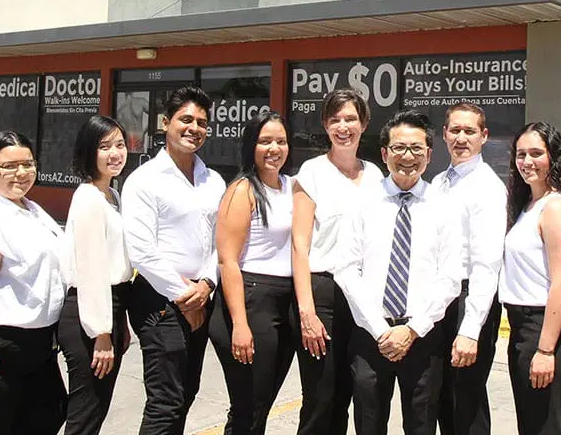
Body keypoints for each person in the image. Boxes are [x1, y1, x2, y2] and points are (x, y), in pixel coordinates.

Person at [335, 109, 462, 435]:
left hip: (422, 336)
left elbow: (449, 277)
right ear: (384, 153)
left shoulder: (443, 206)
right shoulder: (361, 202)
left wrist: (413, 329)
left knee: (421, 425)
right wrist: (380, 330)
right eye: (399, 148)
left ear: (429, 155)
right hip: (370, 335)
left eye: (417, 149)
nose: (408, 157)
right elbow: (347, 270)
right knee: (368, 423)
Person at [122, 86, 226, 435]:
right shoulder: (144, 181)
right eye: (185, 119)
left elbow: (220, 241)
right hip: (159, 301)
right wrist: (185, 296)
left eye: (201, 122)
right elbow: (142, 250)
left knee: (187, 393)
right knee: (166, 400)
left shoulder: (213, 180)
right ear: (165, 123)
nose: (193, 128)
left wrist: (207, 285)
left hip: (202, 294)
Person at [291, 88, 384, 434]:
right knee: (321, 397)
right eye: (335, 120)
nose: (343, 127)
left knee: (357, 389)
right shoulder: (312, 172)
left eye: (350, 119)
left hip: (363, 294)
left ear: (363, 124)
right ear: (325, 126)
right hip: (323, 294)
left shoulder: (377, 176)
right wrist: (307, 311)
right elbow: (300, 245)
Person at [209, 110, 296, 435]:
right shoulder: (242, 190)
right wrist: (241, 325)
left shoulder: (292, 186)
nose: (274, 148)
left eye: (281, 141)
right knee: (249, 407)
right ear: (251, 146)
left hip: (283, 303)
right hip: (250, 300)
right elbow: (227, 261)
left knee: (260, 406)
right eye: (265, 141)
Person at [498, 122, 561, 435]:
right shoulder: (528, 205)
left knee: (545, 426)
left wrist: (546, 350)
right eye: (521, 154)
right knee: (531, 424)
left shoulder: (556, 207)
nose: (527, 161)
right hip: (523, 327)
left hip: (547, 330)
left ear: (553, 158)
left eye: (536, 153)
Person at [431, 103, 506, 435]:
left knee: (467, 403)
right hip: (440, 300)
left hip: (468, 300)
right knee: (443, 396)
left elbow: (487, 264)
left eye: (469, 131)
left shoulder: (487, 188)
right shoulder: (438, 183)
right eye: (455, 130)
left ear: (484, 136)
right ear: (444, 134)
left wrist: (470, 329)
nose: (461, 138)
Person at [58, 116, 133, 435]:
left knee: (96, 410)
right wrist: (101, 332)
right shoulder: (88, 198)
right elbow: (91, 269)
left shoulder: (111, 196)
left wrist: (120, 324)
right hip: (88, 315)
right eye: (105, 147)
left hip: (110, 308)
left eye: (119, 145)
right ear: (89, 152)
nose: (115, 153)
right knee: (85, 413)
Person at [0, 130, 67, 434]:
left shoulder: (32, 209)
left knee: (48, 413)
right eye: (9, 166)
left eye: (28, 163)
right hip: (6, 344)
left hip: (41, 344)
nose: (21, 173)